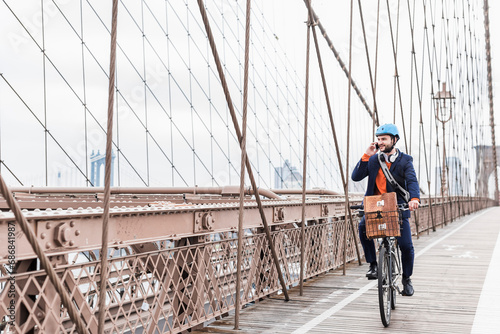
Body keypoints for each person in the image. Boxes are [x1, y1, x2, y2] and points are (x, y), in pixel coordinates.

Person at [351, 123, 420, 296]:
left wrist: (414, 199)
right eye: (378, 139)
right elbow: (356, 176)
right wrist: (367, 155)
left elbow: (412, 181)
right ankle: (373, 265)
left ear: (394, 140)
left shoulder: (405, 160)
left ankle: (407, 279)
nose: (380, 142)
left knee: (406, 246)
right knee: (362, 227)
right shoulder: (374, 159)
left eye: (384, 139)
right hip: (375, 206)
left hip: (397, 207)